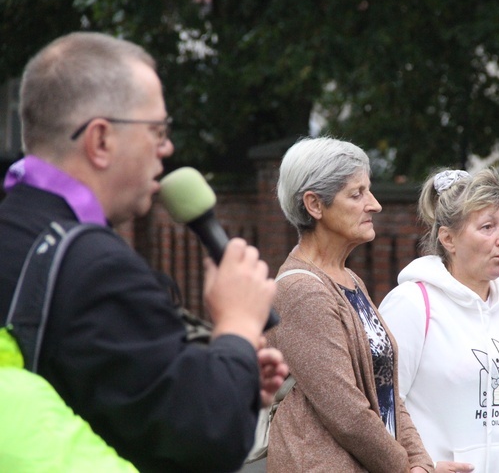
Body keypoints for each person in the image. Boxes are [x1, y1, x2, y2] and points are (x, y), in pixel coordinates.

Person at [0, 32, 288, 472]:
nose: (166, 147)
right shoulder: (98, 268)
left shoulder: (15, 225)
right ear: (100, 140)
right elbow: (209, 435)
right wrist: (238, 324)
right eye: (157, 130)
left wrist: (231, 370)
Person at [379, 167, 499, 473]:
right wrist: (418, 467)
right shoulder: (411, 304)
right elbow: (382, 402)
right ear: (448, 238)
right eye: (488, 227)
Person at [267, 137, 434, 472]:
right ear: (314, 205)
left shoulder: (350, 280)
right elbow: (347, 413)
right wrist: (404, 467)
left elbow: (386, 387)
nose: (374, 204)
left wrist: (419, 462)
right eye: (357, 194)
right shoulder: (302, 291)